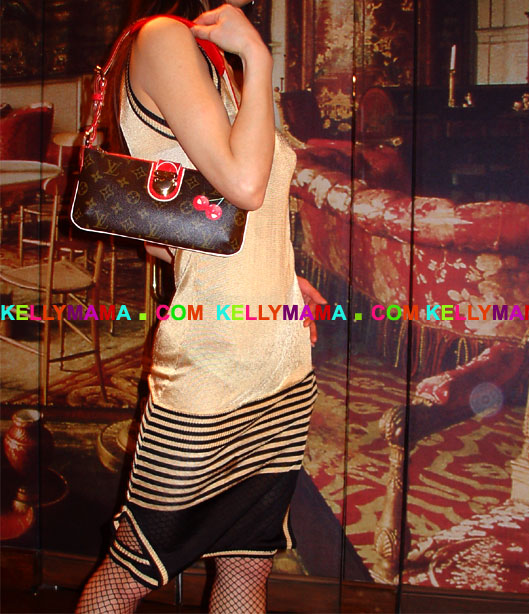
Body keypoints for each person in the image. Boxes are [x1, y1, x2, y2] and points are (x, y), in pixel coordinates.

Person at [76, 1, 326, 612]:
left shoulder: (211, 57)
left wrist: (285, 279)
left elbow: (198, 230)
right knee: (133, 569)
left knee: (248, 566)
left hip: (279, 359)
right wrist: (259, 57)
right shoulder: (164, 38)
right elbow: (244, 184)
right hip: (212, 367)